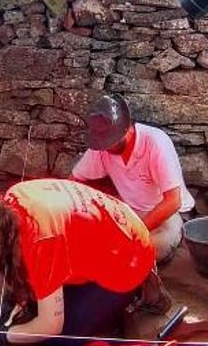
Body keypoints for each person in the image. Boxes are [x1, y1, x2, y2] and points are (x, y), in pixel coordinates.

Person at [0, 179, 155, 345]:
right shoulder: (9, 203)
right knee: (25, 313)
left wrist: (3, 336)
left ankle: (126, 299)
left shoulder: (39, 241)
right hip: (112, 235)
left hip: (128, 262)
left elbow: (51, 325)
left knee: (50, 340)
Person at [70, 94, 194, 263]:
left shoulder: (155, 142)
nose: (105, 147)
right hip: (128, 211)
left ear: (127, 128)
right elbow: (74, 181)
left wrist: (135, 231)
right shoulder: (101, 147)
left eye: (110, 141)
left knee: (161, 244)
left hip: (165, 214)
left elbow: (173, 201)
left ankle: (125, 256)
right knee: (85, 236)